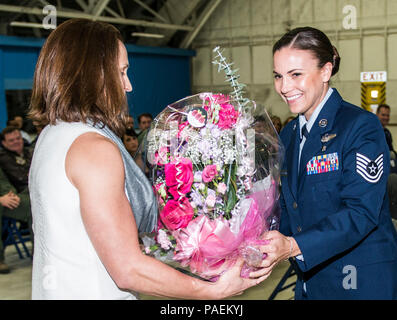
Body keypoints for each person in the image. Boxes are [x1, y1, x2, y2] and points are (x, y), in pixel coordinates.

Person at [28, 18, 270, 300]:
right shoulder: (93, 148)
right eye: (121, 72)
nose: (128, 86)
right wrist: (212, 290)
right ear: (92, 75)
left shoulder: (52, 135)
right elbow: (128, 268)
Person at [255, 26, 397, 299]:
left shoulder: (360, 126)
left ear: (326, 71)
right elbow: (289, 208)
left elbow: (360, 213)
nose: (284, 87)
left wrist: (292, 246)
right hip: (312, 282)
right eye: (278, 76)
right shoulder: (288, 134)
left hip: (361, 283)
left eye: (295, 74)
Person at [0, 168, 32, 274]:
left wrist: (11, 195)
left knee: (34, 205)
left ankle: (40, 250)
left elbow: (3, 182)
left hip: (5, 201)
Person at [0, 127, 33, 193]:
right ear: (4, 143)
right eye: (11, 140)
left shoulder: (31, 152)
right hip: (19, 193)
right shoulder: (3, 157)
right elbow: (21, 178)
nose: (16, 142)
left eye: (18, 138)